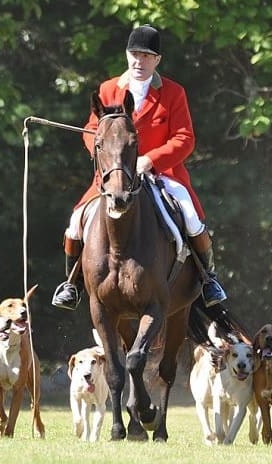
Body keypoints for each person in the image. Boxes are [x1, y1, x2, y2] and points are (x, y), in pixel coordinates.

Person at [51, 24, 227, 310]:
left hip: (161, 174)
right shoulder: (108, 90)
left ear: (157, 60)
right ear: (126, 55)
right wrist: (106, 154)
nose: (138, 61)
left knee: (191, 217)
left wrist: (150, 160)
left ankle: (209, 280)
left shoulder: (173, 92)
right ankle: (72, 284)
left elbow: (185, 138)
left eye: (146, 56)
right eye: (134, 54)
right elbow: (91, 130)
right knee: (75, 225)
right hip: (115, 176)